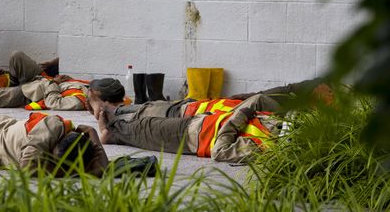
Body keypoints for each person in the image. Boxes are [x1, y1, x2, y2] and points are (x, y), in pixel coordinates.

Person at [95, 93, 280, 163]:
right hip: (201, 121)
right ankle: (113, 120)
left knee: (146, 128)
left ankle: (110, 132)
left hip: (194, 136)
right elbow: (258, 100)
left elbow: (220, 152)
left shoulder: (268, 147)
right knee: (149, 118)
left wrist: (238, 116)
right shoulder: (276, 122)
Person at [87, 77, 334, 120]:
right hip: (226, 107)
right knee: (177, 107)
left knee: (175, 111)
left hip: (223, 114)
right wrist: (243, 96)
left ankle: (115, 112)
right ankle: (119, 111)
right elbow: (284, 89)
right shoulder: (306, 93)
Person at [0, 110, 108, 177]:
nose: (50, 164)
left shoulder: (78, 152)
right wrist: (67, 172)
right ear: (55, 142)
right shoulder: (52, 127)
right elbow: (28, 167)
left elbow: (101, 169)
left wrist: (93, 133)